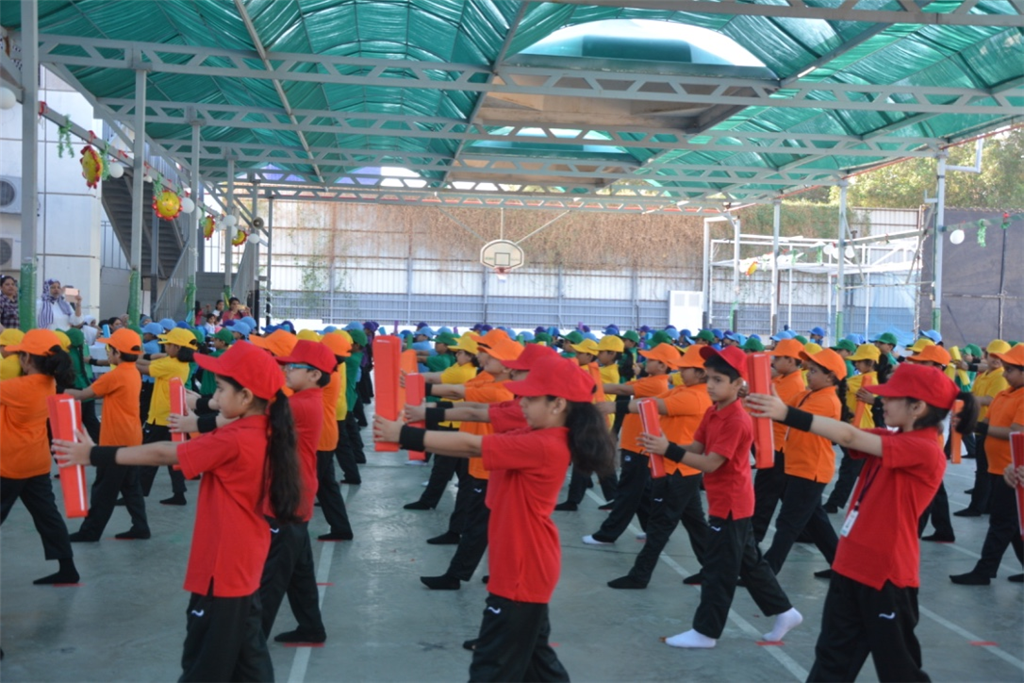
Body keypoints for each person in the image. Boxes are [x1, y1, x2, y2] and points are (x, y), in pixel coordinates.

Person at [54, 341, 302, 683]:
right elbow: (216, 416)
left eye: (221, 388)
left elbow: (164, 453)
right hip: (243, 566)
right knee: (250, 662)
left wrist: (94, 454)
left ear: (246, 397)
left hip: (221, 572)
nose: (216, 394)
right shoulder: (265, 428)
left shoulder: (235, 439)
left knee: (203, 667)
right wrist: (203, 407)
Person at [374, 353, 615, 682]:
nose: (521, 403)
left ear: (558, 404)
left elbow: (473, 446)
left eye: (530, 398)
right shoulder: (533, 435)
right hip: (523, 564)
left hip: (521, 569)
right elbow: (474, 442)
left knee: (491, 669)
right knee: (538, 665)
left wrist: (403, 435)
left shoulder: (544, 444)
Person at [746, 362, 977, 682]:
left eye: (891, 397)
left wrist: (785, 413)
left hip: (885, 576)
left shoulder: (924, 449)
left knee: (899, 671)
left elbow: (847, 434)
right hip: (850, 566)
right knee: (831, 660)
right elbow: (846, 435)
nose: (883, 401)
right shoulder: (890, 437)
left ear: (917, 407)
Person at [638, 346, 802, 649]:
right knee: (750, 564)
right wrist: (663, 444)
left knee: (717, 570)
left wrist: (668, 450)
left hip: (731, 504)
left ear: (738, 383)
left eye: (718, 380)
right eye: (708, 378)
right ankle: (785, 612)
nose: (710, 385)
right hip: (724, 501)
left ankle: (706, 632)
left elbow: (711, 463)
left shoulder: (737, 419)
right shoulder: (713, 412)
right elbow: (696, 448)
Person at [607, 345, 712, 589]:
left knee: (659, 526)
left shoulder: (695, 396)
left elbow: (651, 405)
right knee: (695, 523)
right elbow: (652, 401)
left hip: (677, 469)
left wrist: (613, 406)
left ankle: (640, 576)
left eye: (686, 368)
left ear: (700, 373)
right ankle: (713, 569)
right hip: (681, 468)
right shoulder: (685, 390)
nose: (680, 371)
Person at [260, 340, 336, 643]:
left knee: (271, 576)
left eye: (293, 367)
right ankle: (311, 627)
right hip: (297, 491)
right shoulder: (304, 400)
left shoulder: (298, 405)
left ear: (314, 374)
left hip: (288, 494)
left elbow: (254, 420)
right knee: (299, 570)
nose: (287, 371)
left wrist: (202, 412)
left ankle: (250, 644)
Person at [0, 328, 81, 587]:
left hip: (11, 464)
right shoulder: (50, 383)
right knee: (48, 516)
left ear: (26, 358)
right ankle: (67, 568)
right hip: (36, 462)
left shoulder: (18, 387)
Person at [762, 348, 847, 578]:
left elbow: (788, 416)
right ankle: (841, 568)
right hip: (800, 465)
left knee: (788, 523)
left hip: (810, 469)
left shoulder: (827, 400)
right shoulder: (807, 395)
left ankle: (766, 572)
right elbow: (782, 407)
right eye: (809, 370)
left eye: (814, 371)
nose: (808, 374)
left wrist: (770, 399)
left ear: (830, 377)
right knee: (816, 522)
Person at [583, 342, 675, 545]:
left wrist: (590, 385)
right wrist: (590, 385)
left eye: (651, 359)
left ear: (662, 366)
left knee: (627, 492)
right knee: (641, 492)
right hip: (636, 442)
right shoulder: (650, 380)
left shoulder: (656, 383)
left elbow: (620, 388)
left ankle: (607, 534)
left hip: (638, 444)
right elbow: (618, 387)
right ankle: (653, 530)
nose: (645, 361)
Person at [64, 328, 149, 541]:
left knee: (103, 489)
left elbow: (83, 394)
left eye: (109, 349)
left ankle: (90, 532)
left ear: (118, 353)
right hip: (132, 438)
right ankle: (140, 527)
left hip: (114, 442)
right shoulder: (133, 372)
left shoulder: (115, 375)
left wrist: (58, 391)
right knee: (131, 487)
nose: (108, 353)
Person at [950, 343, 1024, 585]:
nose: (1004, 374)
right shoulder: (1005, 394)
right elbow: (990, 423)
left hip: (1013, 472)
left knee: (1001, 522)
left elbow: (1016, 432)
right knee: (1011, 524)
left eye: (1010, 370)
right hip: (997, 467)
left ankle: (984, 571)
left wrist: (979, 427)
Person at [751, 337, 806, 542]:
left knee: (764, 498)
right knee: (789, 497)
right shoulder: (783, 379)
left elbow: (765, 406)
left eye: (777, 358)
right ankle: (810, 533)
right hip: (774, 444)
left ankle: (751, 542)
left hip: (778, 447)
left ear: (791, 361)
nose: (773, 362)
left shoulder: (792, 384)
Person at [136, 327, 196, 505]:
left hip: (161, 418)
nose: (165, 346)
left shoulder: (171, 365)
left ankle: (138, 493)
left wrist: (125, 360)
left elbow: (145, 369)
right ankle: (179, 494)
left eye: (168, 344)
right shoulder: (177, 362)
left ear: (177, 347)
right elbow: (148, 361)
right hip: (172, 416)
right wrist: (138, 357)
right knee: (173, 458)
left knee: (149, 456)